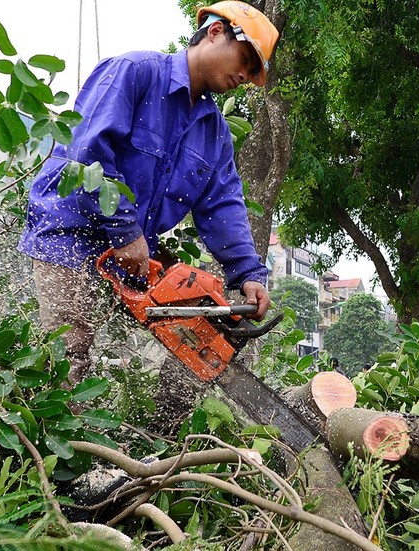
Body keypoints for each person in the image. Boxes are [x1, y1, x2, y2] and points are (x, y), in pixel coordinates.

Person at [19, 1, 280, 385]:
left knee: (201, 336)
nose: (245, 74)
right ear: (214, 32)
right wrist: (125, 231)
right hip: (69, 235)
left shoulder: (215, 133)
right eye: (244, 59)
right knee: (67, 354)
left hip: (129, 254)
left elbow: (223, 204)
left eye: (253, 71)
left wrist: (247, 274)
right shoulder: (135, 73)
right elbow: (87, 154)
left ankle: (159, 429)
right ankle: (50, 439)